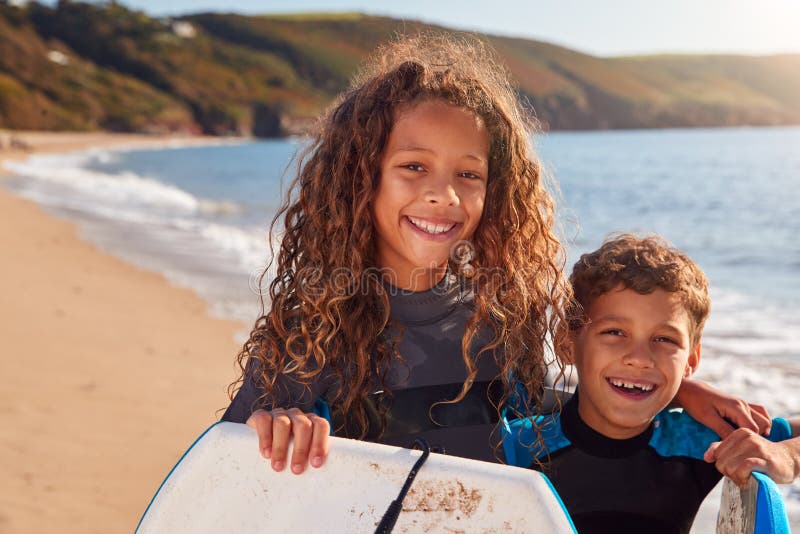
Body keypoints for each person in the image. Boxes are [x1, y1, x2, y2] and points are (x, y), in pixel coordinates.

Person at [222, 35, 772, 476]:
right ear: (360, 178)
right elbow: (222, 469)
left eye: (469, 174)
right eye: (414, 166)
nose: (445, 195)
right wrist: (272, 426)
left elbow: (547, 419)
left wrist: (678, 391)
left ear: (497, 191)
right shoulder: (309, 334)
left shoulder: (500, 317)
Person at [517, 234, 800, 533]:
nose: (640, 358)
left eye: (664, 339)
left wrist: (787, 457)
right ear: (567, 341)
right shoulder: (516, 446)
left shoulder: (702, 443)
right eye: (615, 332)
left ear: (692, 359)